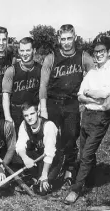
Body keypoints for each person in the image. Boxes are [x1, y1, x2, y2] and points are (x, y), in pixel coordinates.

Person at [39, 24, 95, 187]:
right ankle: (52, 170)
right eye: (63, 39)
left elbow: (94, 76)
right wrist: (43, 107)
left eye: (69, 38)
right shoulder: (51, 58)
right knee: (52, 138)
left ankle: (69, 171)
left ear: (75, 37)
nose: (66, 42)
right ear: (58, 39)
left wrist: (86, 99)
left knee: (70, 138)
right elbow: (43, 84)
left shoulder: (83, 56)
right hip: (53, 102)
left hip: (72, 103)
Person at [64, 36, 110, 204]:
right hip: (87, 115)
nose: (98, 55)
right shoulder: (91, 73)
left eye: (102, 51)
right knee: (84, 152)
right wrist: (93, 96)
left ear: (108, 52)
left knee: (87, 154)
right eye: (96, 52)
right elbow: (80, 95)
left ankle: (76, 189)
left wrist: (92, 94)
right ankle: (90, 179)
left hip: (101, 117)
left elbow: (106, 99)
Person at [16, 101, 63, 195]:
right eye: (26, 115)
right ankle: (34, 177)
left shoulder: (48, 125)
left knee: (42, 190)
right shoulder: (24, 125)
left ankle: (59, 174)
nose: (29, 118)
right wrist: (25, 158)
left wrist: (44, 174)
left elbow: (49, 153)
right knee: (19, 155)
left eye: (32, 114)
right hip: (38, 156)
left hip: (53, 159)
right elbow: (20, 145)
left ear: (38, 112)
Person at [3, 37, 41, 131]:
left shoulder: (40, 69)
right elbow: (5, 95)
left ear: (34, 50)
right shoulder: (11, 70)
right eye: (22, 50)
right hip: (16, 111)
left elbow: (43, 94)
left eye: (28, 50)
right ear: (19, 51)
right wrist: (8, 117)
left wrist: (40, 110)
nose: (24, 54)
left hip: (33, 111)